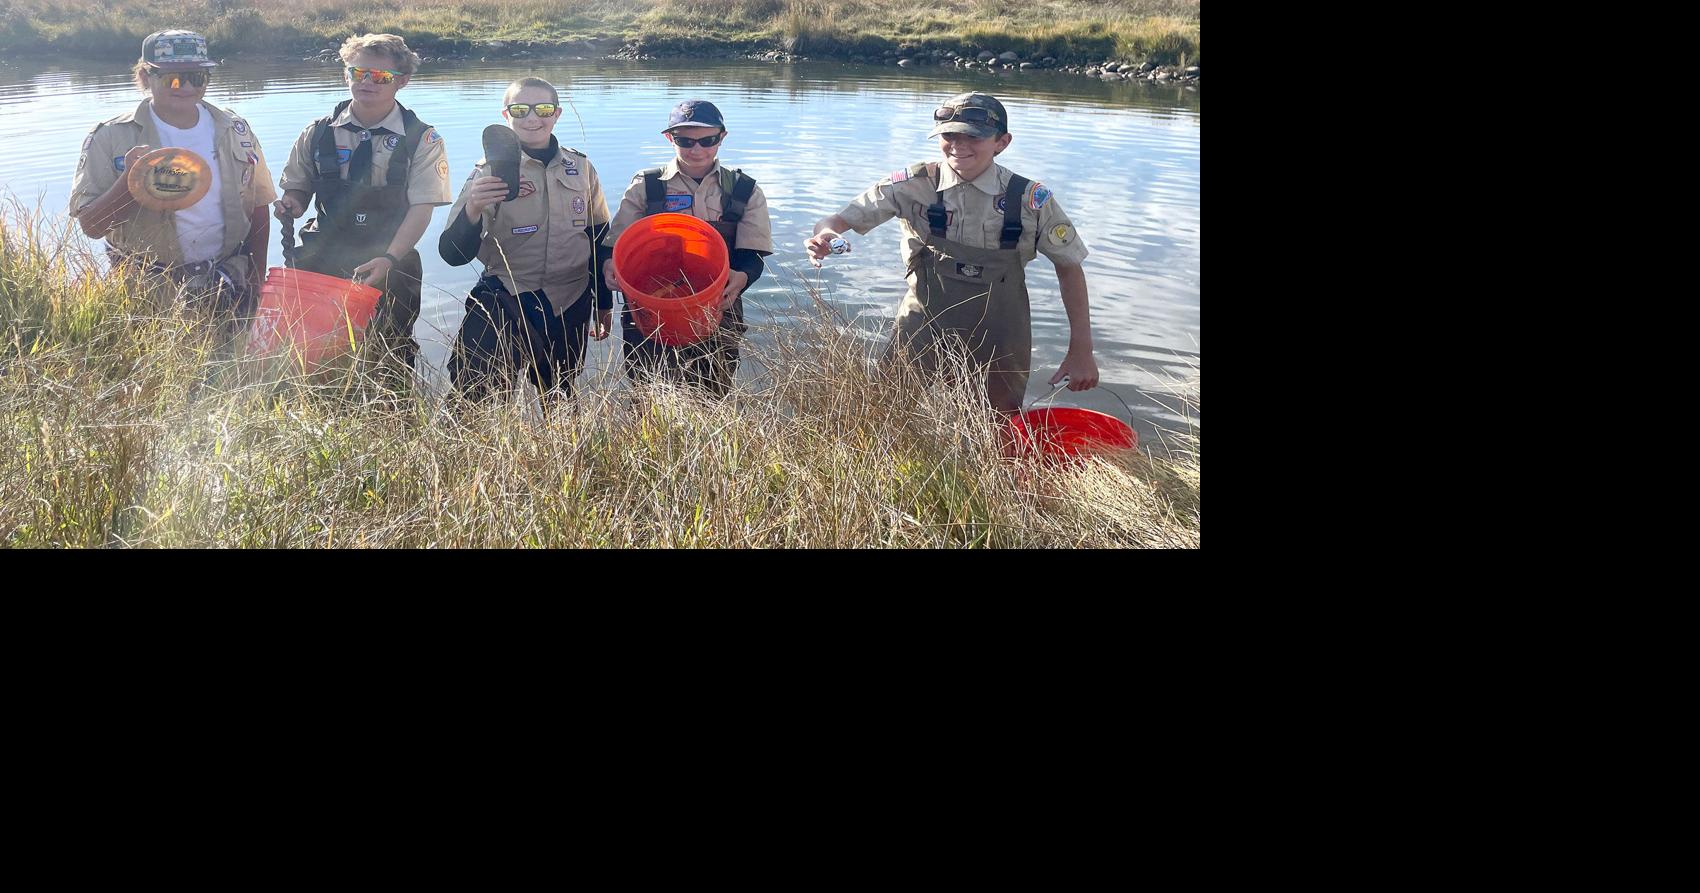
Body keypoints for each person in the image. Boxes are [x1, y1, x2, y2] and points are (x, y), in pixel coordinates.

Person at [804, 91, 1099, 414]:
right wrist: (826, 234)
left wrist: (1081, 350)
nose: (959, 145)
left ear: (1002, 142)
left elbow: (1069, 267)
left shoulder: (1030, 199)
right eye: (949, 135)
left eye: (974, 136)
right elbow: (837, 220)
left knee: (999, 420)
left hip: (1000, 329)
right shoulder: (912, 184)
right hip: (923, 319)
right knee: (886, 408)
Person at [273, 33, 451, 385]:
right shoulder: (317, 132)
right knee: (315, 352)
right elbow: (298, 189)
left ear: (402, 81)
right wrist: (292, 203)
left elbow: (421, 210)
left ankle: (390, 412)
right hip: (324, 254)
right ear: (347, 74)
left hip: (390, 259)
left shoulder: (423, 139)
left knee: (390, 354)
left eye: (380, 76)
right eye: (358, 73)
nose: (367, 82)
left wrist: (389, 258)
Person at [70, 29, 275, 318]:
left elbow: (259, 205)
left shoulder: (235, 130)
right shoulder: (111, 137)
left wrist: (256, 278)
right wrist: (131, 182)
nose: (186, 87)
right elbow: (92, 227)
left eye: (197, 77)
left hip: (230, 285)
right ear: (145, 76)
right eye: (173, 78)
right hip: (147, 294)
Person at [439, 77, 614, 401]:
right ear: (506, 115)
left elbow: (598, 237)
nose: (532, 118)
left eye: (543, 109)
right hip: (508, 294)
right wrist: (473, 208)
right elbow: (452, 254)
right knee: (474, 391)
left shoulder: (581, 167)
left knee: (560, 392)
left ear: (557, 113)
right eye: (520, 110)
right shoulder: (488, 173)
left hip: (571, 299)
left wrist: (603, 303)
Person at [603, 99, 773, 398]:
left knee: (714, 394)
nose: (697, 150)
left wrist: (743, 277)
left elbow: (753, 256)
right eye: (685, 141)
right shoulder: (647, 185)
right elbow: (616, 245)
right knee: (648, 395)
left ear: (722, 136)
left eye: (707, 140)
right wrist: (608, 266)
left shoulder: (744, 189)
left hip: (719, 307)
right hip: (649, 312)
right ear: (669, 138)